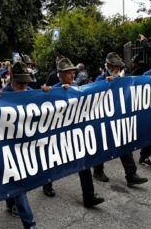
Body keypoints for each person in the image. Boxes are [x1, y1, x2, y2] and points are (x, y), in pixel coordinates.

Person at [41, 57, 105, 208]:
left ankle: (89, 196)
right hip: (58, 133)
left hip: (75, 133)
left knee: (84, 162)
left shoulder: (77, 88)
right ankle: (47, 183)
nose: (72, 75)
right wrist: (46, 91)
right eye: (69, 73)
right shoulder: (53, 89)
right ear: (60, 74)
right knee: (53, 160)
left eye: (73, 72)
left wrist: (107, 83)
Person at [93, 52, 148, 186]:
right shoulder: (100, 79)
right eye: (114, 66)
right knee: (101, 145)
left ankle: (131, 174)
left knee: (124, 143)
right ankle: (98, 171)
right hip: (103, 120)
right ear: (108, 66)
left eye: (118, 66)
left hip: (118, 119)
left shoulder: (122, 80)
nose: (116, 68)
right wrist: (106, 84)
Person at [1, 61, 37, 229]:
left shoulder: (30, 92)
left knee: (15, 181)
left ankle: (10, 202)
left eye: (26, 82)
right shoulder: (2, 94)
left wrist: (48, 93)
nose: (24, 86)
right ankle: (30, 224)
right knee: (19, 184)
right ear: (12, 80)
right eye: (20, 82)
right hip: (8, 147)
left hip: (24, 145)